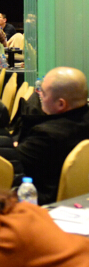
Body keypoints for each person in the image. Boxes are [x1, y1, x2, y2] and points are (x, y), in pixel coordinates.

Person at [16, 66, 89, 204]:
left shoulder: (46, 135)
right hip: (80, 200)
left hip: (43, 203)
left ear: (61, 104)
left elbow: (9, 166)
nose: (40, 96)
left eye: (43, 93)